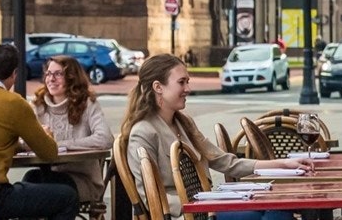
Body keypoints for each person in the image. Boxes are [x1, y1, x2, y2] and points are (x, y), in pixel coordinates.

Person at [123, 54, 305, 220]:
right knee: (268, 215)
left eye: (188, 82)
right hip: (187, 215)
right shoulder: (143, 132)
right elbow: (149, 196)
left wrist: (282, 164)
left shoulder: (184, 123)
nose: (188, 88)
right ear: (158, 87)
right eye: (181, 82)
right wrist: (201, 206)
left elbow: (225, 162)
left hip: (207, 206)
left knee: (278, 208)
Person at [0, 44, 79, 220]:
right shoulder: (14, 103)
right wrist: (47, 134)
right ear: (14, 74)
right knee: (67, 197)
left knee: (31, 182)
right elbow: (49, 153)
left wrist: (13, 145)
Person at [29, 55, 112, 204]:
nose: (51, 79)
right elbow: (24, 139)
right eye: (48, 73)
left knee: (44, 194)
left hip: (83, 179)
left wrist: (61, 145)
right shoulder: (38, 105)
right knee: (30, 180)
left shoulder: (87, 104)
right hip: (49, 175)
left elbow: (105, 139)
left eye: (58, 74)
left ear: (72, 78)